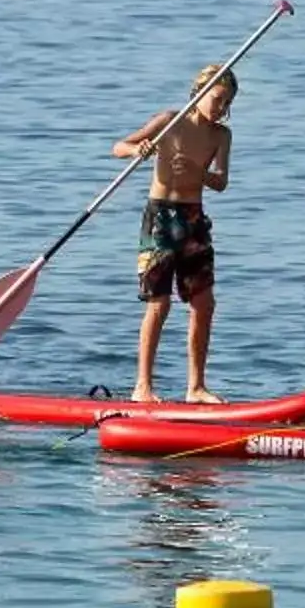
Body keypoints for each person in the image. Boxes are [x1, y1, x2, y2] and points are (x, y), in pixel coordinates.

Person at [112, 65, 237, 403]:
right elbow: (118, 147)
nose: (220, 108)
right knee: (159, 303)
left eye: (226, 103)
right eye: (216, 99)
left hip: (194, 220)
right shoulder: (171, 119)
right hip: (161, 218)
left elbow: (221, 182)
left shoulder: (221, 136)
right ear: (199, 93)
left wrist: (199, 172)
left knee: (204, 303)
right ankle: (143, 387)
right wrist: (137, 150)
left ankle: (196, 387)